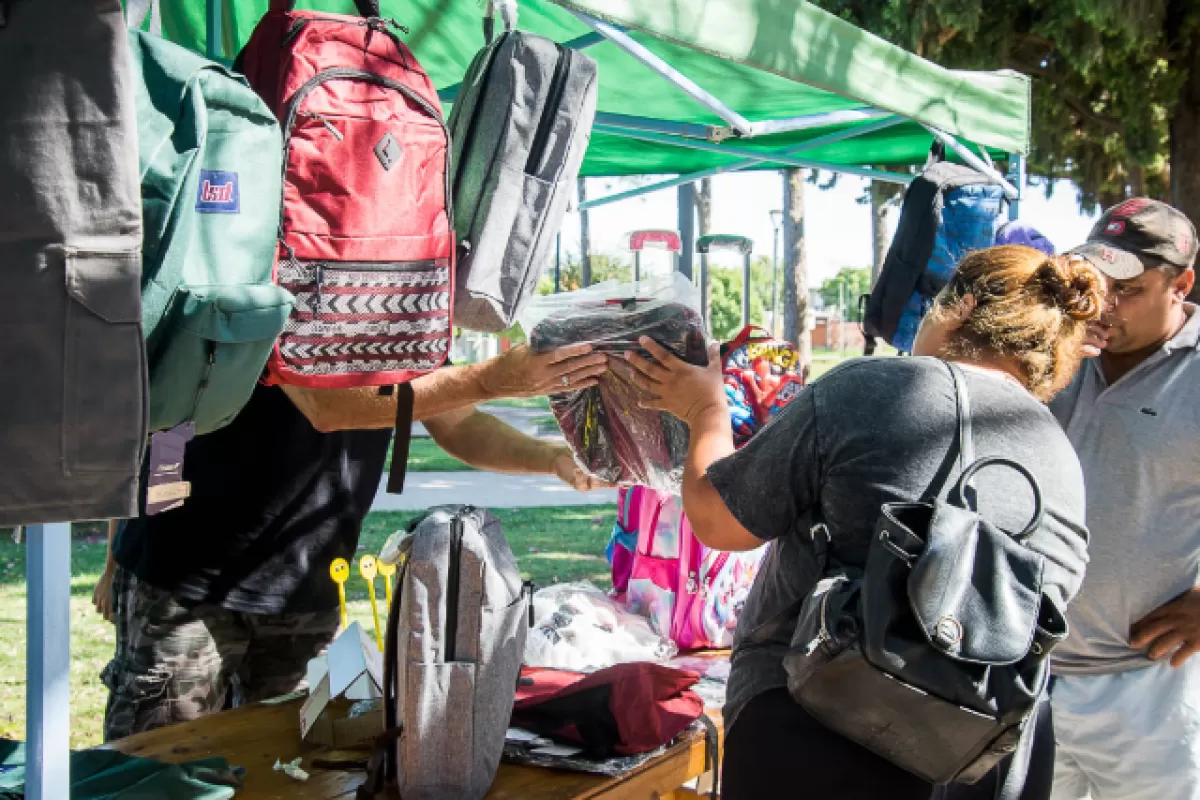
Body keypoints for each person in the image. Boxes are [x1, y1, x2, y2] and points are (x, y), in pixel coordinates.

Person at [622, 245, 1102, 799]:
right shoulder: (1061, 458)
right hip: (979, 759)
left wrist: (706, 411)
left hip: (815, 734)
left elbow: (718, 520)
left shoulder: (870, 388)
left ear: (961, 306)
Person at [98, 343, 608, 741]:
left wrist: (553, 459)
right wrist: (493, 379)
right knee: (156, 769)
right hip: (184, 579)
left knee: (287, 772)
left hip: (310, 594)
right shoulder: (282, 263)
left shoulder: (405, 306)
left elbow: (460, 422)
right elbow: (326, 405)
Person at [1046, 198, 1200, 800]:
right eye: (1097, 281)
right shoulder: (1056, 352)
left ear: (1181, 284)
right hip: (1032, 675)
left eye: (1128, 288)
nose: (1105, 304)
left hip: (1154, 690)